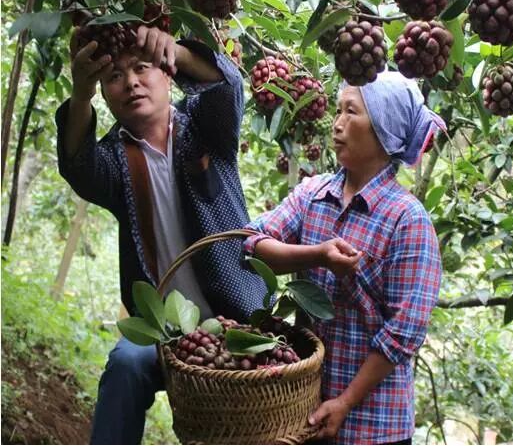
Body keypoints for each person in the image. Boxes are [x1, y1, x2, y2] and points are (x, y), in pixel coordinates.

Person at [56, 25, 266, 445]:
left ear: (167, 75)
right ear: (104, 93)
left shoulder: (206, 128)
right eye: (114, 76)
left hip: (237, 320)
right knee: (125, 366)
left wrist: (178, 52)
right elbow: (77, 165)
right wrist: (80, 94)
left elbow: (228, 86)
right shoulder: (114, 160)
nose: (131, 83)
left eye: (142, 68)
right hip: (161, 331)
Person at [243, 71, 444, 445]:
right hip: (305, 414)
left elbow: (404, 332)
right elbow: (251, 244)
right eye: (337, 111)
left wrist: (346, 402)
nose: (336, 124)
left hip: (375, 427)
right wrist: (316, 256)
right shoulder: (313, 195)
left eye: (351, 112)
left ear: (384, 130)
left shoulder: (407, 220)